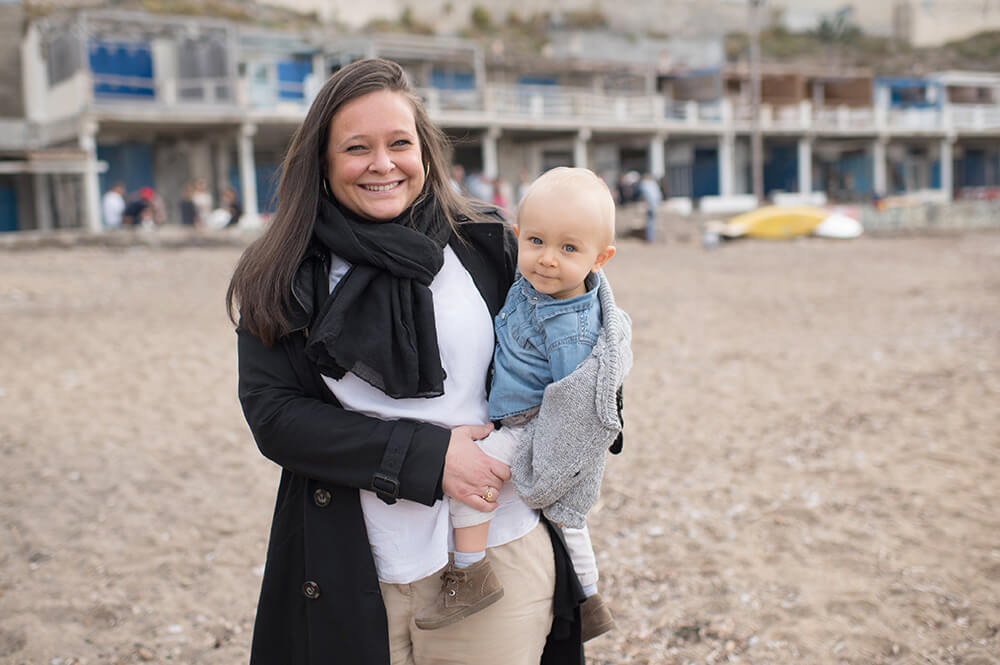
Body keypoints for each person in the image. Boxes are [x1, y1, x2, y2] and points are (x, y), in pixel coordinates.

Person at [227, 58, 587, 665]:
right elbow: (275, 416)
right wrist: (429, 456)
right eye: (356, 148)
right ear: (321, 161)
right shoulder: (283, 273)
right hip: (355, 561)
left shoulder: (487, 243)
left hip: (498, 543)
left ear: (425, 150)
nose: (382, 164)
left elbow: (580, 347)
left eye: (399, 143)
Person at [415, 167, 632, 644]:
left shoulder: (572, 329)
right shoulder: (530, 286)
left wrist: (548, 457)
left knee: (474, 482)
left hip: (531, 424)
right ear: (517, 237)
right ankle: (589, 598)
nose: (548, 260)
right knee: (567, 522)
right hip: (514, 413)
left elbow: (576, 402)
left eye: (568, 249)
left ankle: (469, 573)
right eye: (536, 241)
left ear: (601, 258)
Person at [638, 172, 662, 243]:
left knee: (650, 222)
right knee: (652, 221)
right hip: (655, 204)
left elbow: (642, 194)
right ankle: (651, 238)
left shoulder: (644, 184)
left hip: (650, 205)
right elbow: (659, 195)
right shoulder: (654, 184)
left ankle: (649, 238)